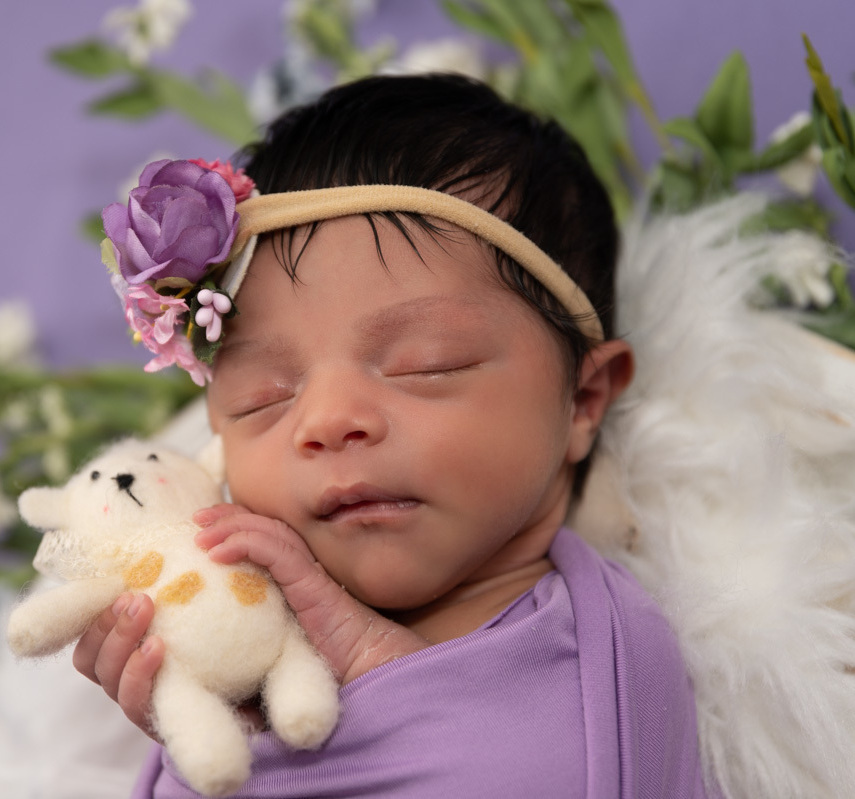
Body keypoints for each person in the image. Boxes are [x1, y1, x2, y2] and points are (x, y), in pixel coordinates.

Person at [77, 74, 715, 797]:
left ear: (582, 401)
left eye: (425, 364)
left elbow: (554, 771)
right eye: (264, 398)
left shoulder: (608, 643)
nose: (324, 421)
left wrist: (376, 665)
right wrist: (211, 734)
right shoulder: (258, 652)